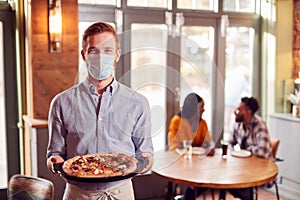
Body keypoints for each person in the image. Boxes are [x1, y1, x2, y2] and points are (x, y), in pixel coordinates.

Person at [46, 22, 153, 200]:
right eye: (94, 50)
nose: (101, 56)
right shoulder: (61, 102)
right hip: (78, 194)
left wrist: (143, 162)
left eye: (108, 51)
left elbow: (145, 153)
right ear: (84, 55)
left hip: (121, 193)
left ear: (117, 55)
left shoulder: (138, 103)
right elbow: (54, 154)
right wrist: (54, 162)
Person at [168, 93, 215, 200]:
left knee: (209, 176)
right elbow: (176, 147)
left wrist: (210, 147)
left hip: (197, 163)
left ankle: (184, 198)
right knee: (195, 179)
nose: (204, 110)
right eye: (201, 107)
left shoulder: (202, 123)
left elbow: (209, 141)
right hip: (179, 162)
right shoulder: (178, 121)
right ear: (193, 108)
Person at [226, 96, 272, 200]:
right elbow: (229, 142)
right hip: (244, 168)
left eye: (238, 109)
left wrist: (245, 151)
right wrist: (232, 152)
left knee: (240, 186)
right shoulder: (237, 124)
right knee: (224, 180)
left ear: (248, 111)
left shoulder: (260, 125)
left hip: (260, 169)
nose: (235, 112)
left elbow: (263, 150)